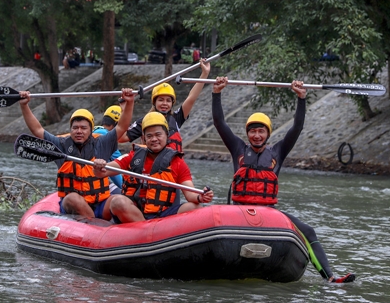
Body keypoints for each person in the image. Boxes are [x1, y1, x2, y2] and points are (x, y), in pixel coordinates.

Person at [212, 76, 355, 283]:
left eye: (261, 131)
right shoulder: (238, 149)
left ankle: (330, 277)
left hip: (269, 212)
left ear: (268, 134)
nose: (257, 135)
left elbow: (296, 127)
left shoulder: (278, 152)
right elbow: (219, 123)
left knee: (308, 231)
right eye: (253, 131)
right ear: (247, 133)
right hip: (240, 211)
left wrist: (301, 98)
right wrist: (216, 93)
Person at [18, 87, 135, 219]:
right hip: (74, 205)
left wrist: (129, 103)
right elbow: (38, 130)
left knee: (120, 201)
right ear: (71, 130)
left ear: (91, 130)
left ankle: (143, 234)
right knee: (73, 198)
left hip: (100, 203)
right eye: (75, 128)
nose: (79, 131)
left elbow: (121, 127)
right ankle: (95, 228)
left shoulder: (102, 143)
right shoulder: (60, 145)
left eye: (84, 128)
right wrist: (24, 106)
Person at [94, 112, 214, 223]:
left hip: (161, 214)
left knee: (195, 207)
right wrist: (99, 166)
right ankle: (147, 232)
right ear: (144, 138)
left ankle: (152, 232)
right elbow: (102, 172)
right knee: (117, 202)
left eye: (158, 135)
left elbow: (190, 194)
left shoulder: (177, 162)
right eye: (149, 136)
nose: (154, 139)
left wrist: (200, 196)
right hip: (134, 211)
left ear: (166, 135)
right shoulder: (132, 157)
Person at [119, 58, 210, 153]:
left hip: (172, 165)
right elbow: (121, 137)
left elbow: (191, 98)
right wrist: (124, 110)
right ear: (154, 102)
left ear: (172, 103)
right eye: (161, 100)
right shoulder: (144, 121)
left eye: (168, 101)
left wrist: (205, 73)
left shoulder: (176, 118)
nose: (165, 104)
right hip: (151, 165)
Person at [93, 103, 125, 189]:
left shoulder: (94, 131)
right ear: (116, 124)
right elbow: (121, 162)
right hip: (94, 180)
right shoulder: (107, 138)